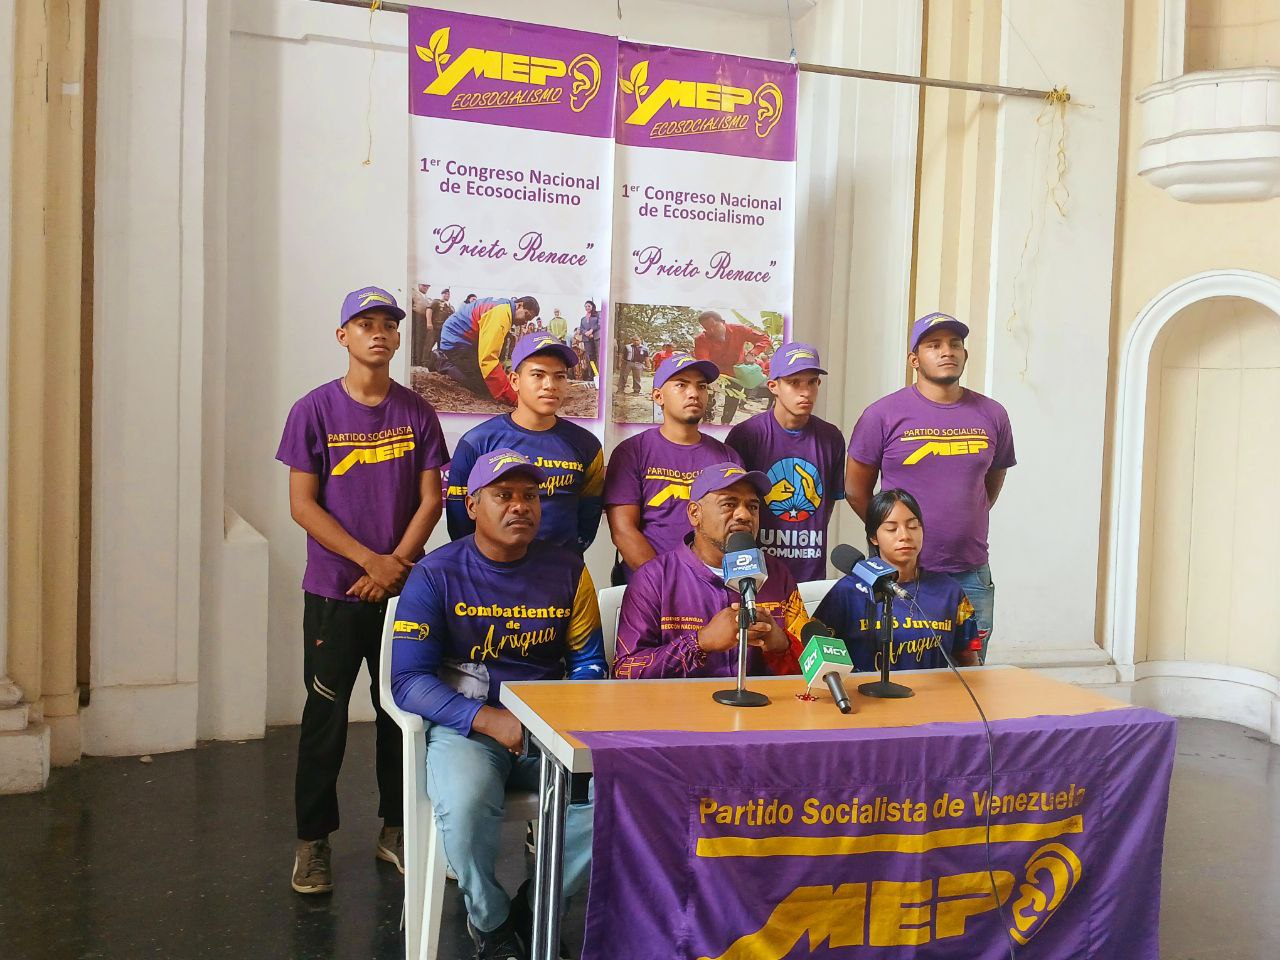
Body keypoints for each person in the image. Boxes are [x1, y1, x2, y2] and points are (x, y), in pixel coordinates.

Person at [390, 449, 606, 959]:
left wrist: (562, 721)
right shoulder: (436, 574)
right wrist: (488, 719)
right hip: (468, 728)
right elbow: (408, 681)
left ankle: (538, 905)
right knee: (465, 804)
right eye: (503, 495)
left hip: (550, 732)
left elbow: (590, 663)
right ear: (471, 505)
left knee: (622, 796)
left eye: (530, 496)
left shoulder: (569, 571)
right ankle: (490, 922)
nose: (520, 506)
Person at [276, 285, 449, 895]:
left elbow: (432, 499)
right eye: (365, 322)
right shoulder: (313, 410)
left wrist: (395, 564)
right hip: (334, 591)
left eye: (388, 324)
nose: (379, 332)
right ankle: (313, 841)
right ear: (343, 335)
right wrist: (369, 561)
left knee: (399, 713)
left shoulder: (417, 412)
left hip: (402, 591)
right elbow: (302, 506)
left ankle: (395, 829)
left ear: (399, 337)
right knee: (324, 716)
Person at [845, 312, 1015, 662]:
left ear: (965, 354)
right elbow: (856, 490)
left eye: (955, 344)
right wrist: (894, 534)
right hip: (899, 573)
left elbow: (991, 481)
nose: (946, 351)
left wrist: (963, 519)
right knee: (895, 668)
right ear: (914, 360)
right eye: (934, 345)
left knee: (969, 676)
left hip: (969, 571)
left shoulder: (992, 414)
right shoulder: (882, 415)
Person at [613, 463, 808, 679]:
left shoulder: (778, 575)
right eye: (729, 504)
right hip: (684, 702)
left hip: (764, 701)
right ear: (695, 513)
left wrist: (781, 644)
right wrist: (700, 642)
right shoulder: (654, 579)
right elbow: (625, 671)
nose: (744, 515)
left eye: (753, 506)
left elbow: (814, 667)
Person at [446, 332, 604, 554]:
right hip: (494, 571)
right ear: (514, 381)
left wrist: (567, 559)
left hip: (562, 570)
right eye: (538, 375)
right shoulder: (477, 442)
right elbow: (459, 521)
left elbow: (590, 515)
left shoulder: (587, 445)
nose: (550, 385)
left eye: (559, 376)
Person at [604, 353, 742, 580]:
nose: (694, 393)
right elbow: (623, 531)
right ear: (658, 396)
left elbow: (737, 528)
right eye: (681, 385)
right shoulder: (632, 452)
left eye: (701, 386)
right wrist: (668, 583)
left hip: (714, 587)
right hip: (650, 585)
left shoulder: (728, 457)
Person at [814, 489, 981, 671]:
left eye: (913, 526)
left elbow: (969, 661)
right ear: (874, 537)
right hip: (865, 689)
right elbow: (816, 651)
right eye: (891, 529)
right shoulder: (847, 592)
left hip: (932, 689)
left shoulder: (950, 591)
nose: (905, 536)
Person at [725, 343, 846, 583]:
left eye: (812, 382)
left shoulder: (831, 437)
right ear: (773, 386)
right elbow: (731, 506)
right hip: (757, 575)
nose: (806, 392)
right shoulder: (746, 435)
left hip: (810, 574)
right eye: (794, 382)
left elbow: (827, 502)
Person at [436, 295, 540, 405]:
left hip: (468, 340)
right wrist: (513, 399)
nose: (525, 322)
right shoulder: (501, 314)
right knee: (482, 385)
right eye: (526, 316)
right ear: (519, 305)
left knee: (491, 378)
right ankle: (442, 362)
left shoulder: (505, 307)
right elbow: (488, 359)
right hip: (455, 341)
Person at [693, 310, 772, 423]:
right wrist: (710, 378)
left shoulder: (740, 330)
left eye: (714, 326)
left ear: (723, 322)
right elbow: (704, 361)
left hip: (736, 371)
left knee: (733, 398)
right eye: (707, 328)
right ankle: (708, 421)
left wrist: (753, 353)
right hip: (714, 371)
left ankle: (725, 423)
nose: (711, 331)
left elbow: (764, 339)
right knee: (708, 397)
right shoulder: (701, 339)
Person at [578, 300, 601, 387]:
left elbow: (599, 325)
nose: (587, 308)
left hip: (595, 338)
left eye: (589, 306)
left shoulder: (597, 315)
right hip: (587, 339)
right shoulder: (583, 319)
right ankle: (590, 375)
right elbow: (581, 329)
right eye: (586, 306)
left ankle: (597, 374)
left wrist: (591, 331)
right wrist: (586, 333)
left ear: (592, 307)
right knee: (590, 357)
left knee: (597, 356)